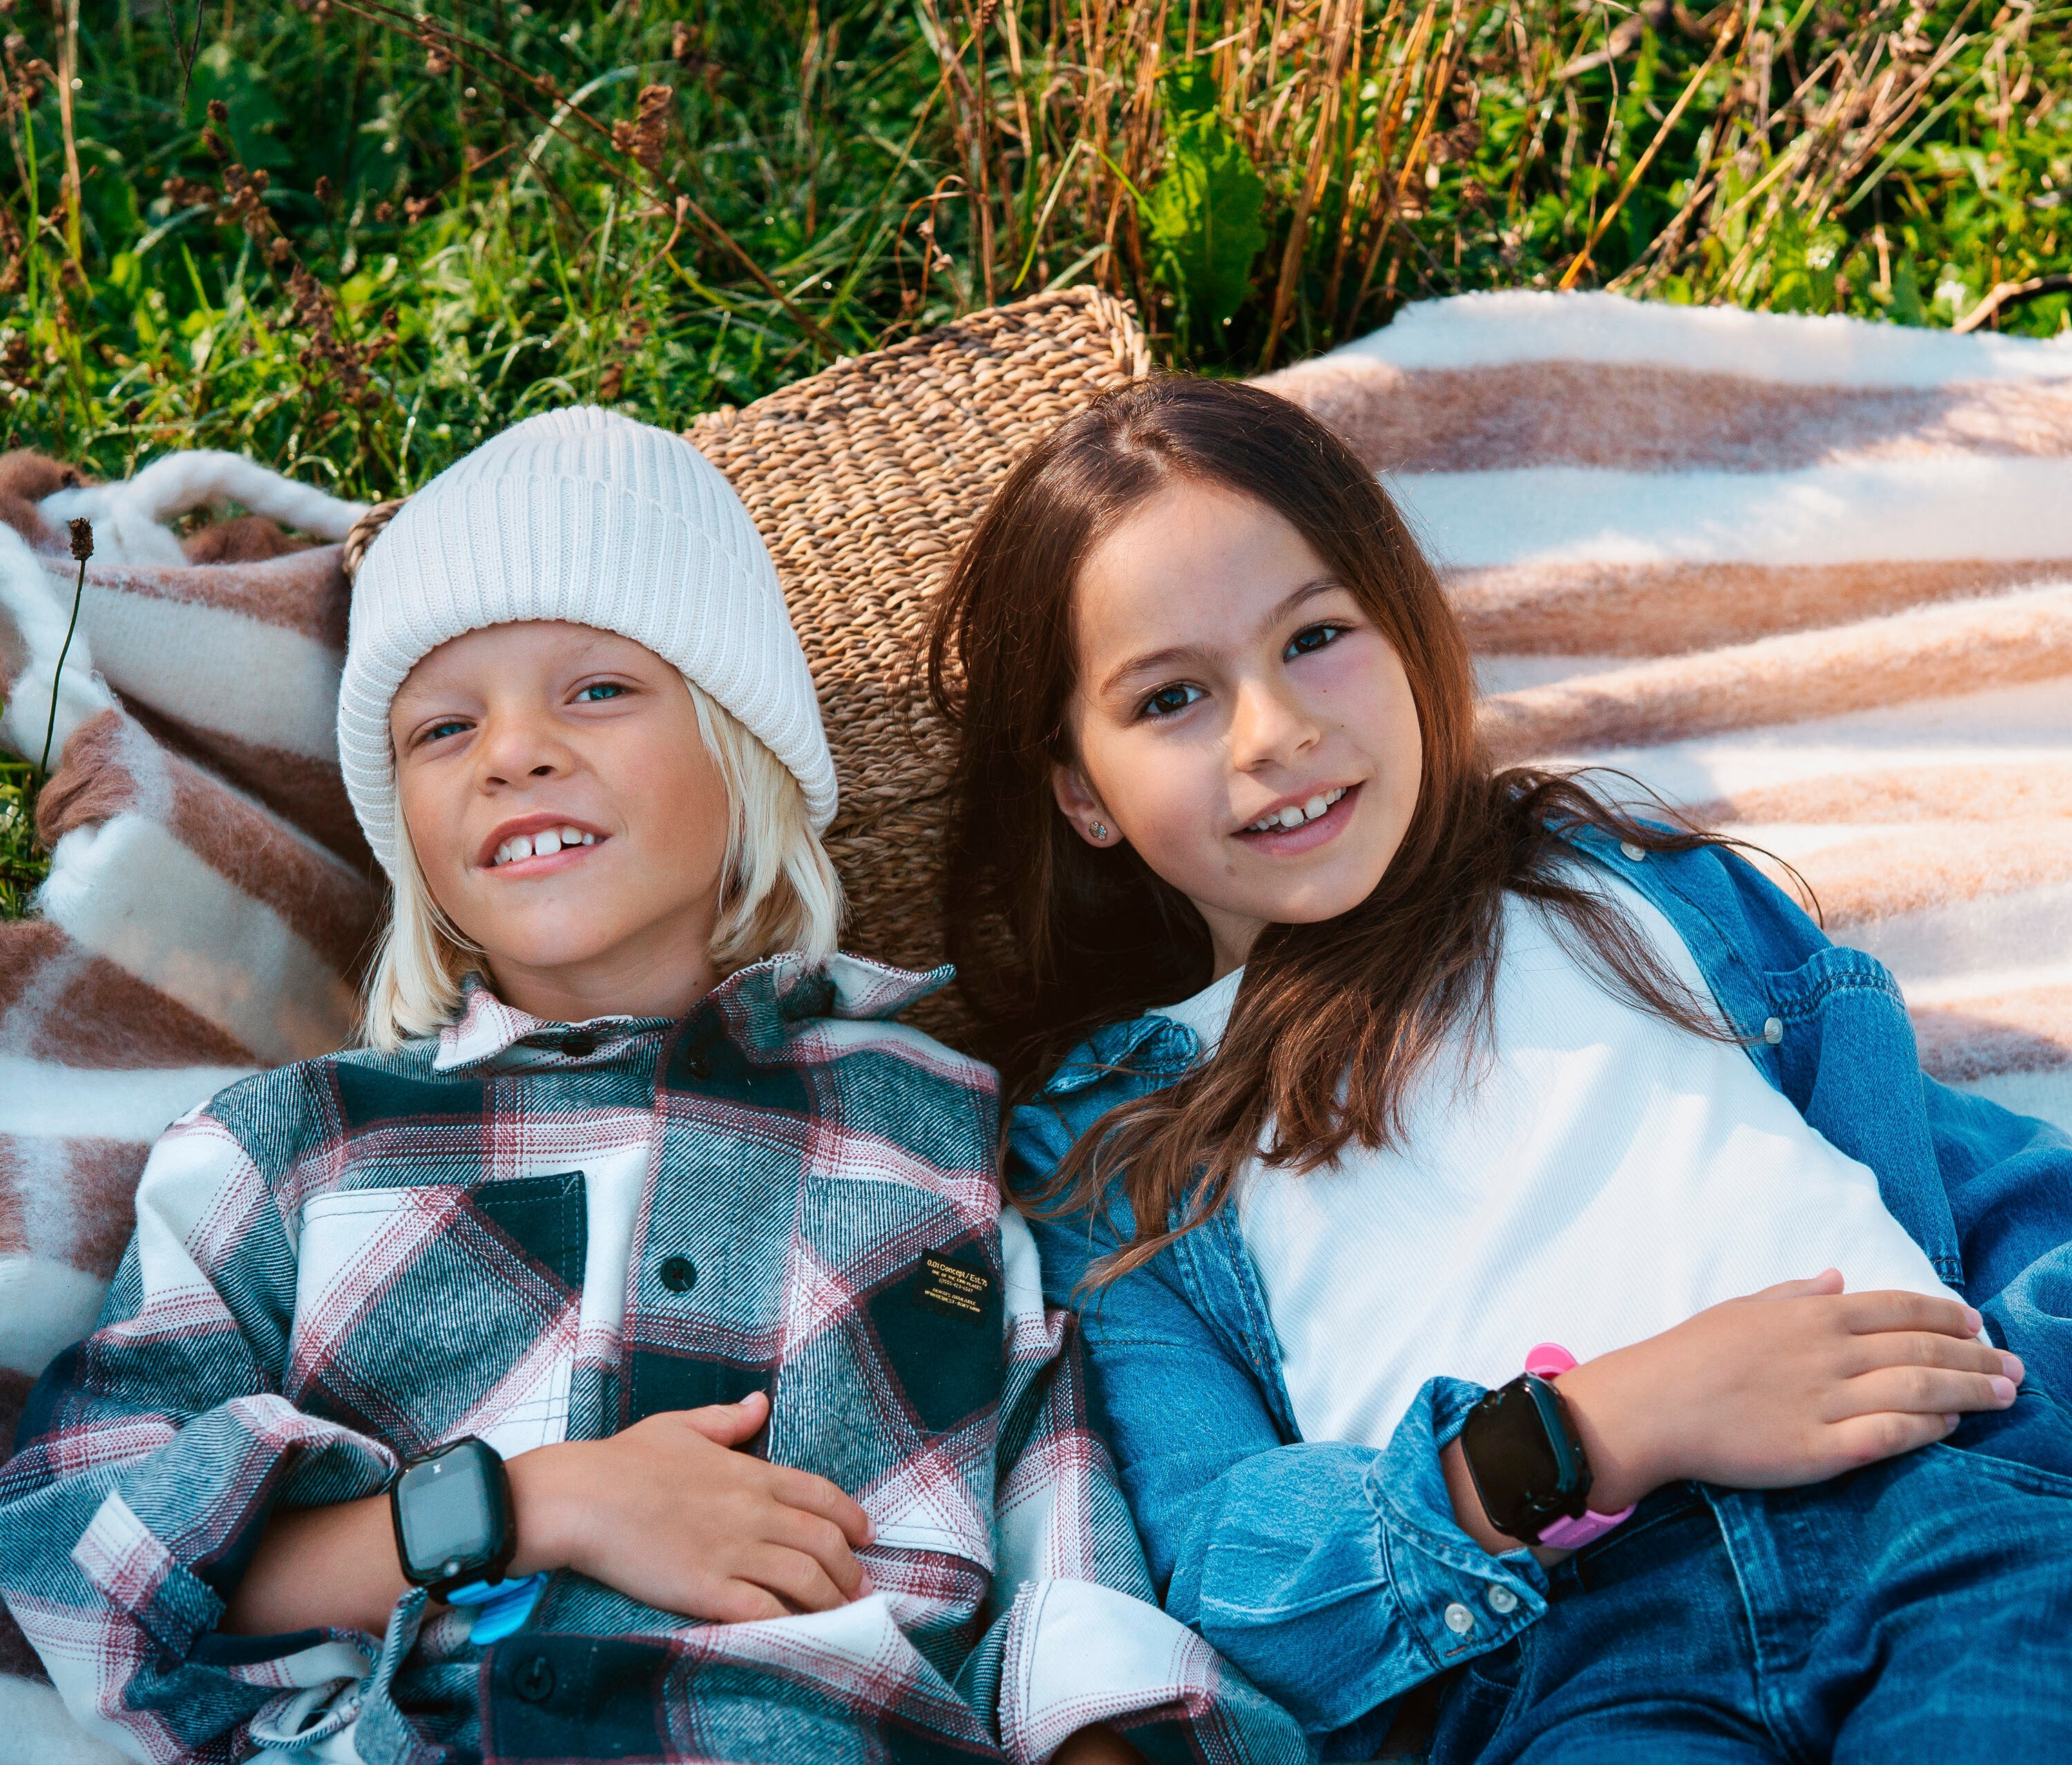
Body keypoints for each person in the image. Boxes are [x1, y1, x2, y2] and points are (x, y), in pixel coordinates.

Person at [0, 409, 1303, 1765]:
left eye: (597, 690)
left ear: (743, 752)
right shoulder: (291, 1148)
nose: (514, 752)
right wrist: (524, 1508)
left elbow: (1064, 1544)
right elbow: (78, 1549)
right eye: (443, 728)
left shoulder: (941, 1122)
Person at [923, 375, 2072, 1764]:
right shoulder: (1113, 1140)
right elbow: (1230, 1570)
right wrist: (1588, 1430)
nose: (1271, 730)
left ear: (1408, 633)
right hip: (1568, 1659)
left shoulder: (1636, 901)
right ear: (1083, 792)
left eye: (1318, 638)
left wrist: (2011, 1392)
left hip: (1934, 1523)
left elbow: (1980, 1191)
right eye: (1171, 697)